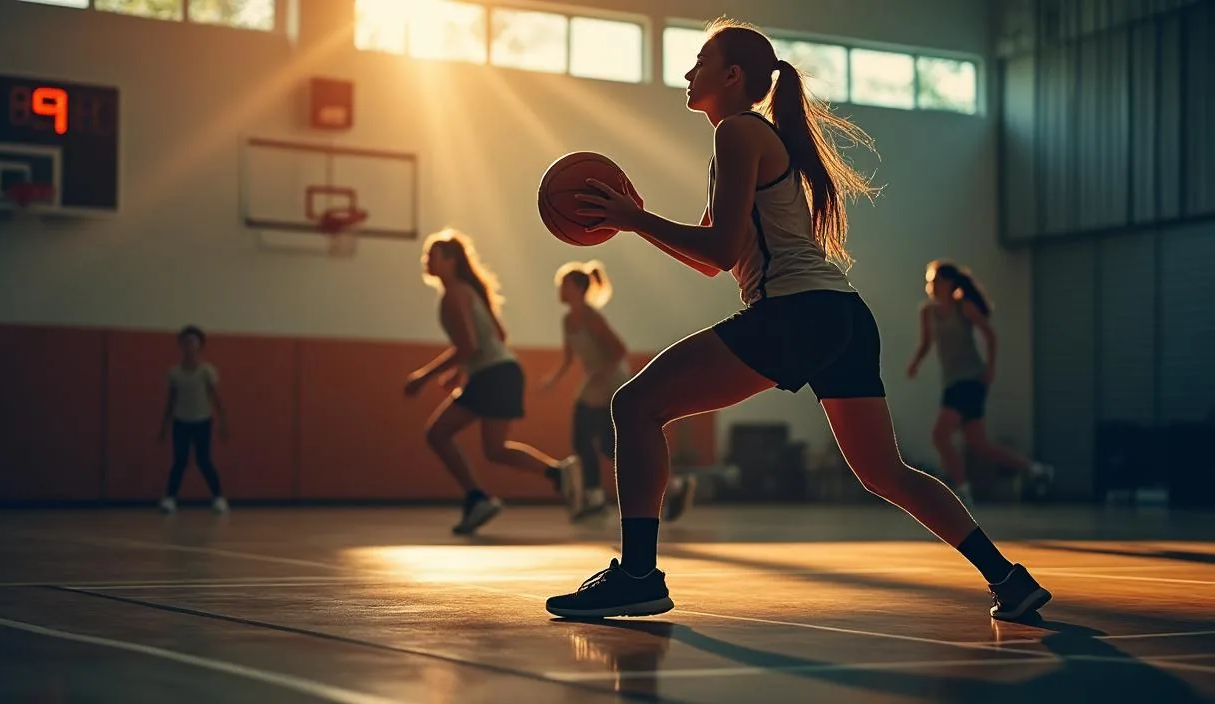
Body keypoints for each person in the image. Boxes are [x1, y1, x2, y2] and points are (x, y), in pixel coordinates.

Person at [544, 18, 1051, 622]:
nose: (688, 72)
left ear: (732, 76)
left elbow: (718, 251)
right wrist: (639, 219)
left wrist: (634, 220)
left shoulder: (737, 131)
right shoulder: (742, 138)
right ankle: (1008, 579)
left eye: (700, 62)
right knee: (885, 471)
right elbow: (711, 259)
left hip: (797, 311)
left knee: (634, 405)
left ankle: (637, 576)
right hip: (842, 315)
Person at [405, 229, 577, 535]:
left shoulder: (454, 295)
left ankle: (477, 498)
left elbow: (469, 346)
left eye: (432, 255)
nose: (426, 260)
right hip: (504, 371)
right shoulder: (470, 291)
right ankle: (558, 473)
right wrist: (461, 371)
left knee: (438, 433)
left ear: (450, 260)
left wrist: (423, 377)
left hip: (493, 374)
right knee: (495, 449)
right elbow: (497, 336)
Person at [541, 260, 698, 522]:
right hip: (594, 384)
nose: (560, 290)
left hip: (611, 381)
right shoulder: (568, 320)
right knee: (598, 443)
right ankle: (602, 498)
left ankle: (671, 487)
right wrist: (552, 380)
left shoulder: (591, 317)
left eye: (564, 285)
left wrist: (600, 373)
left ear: (578, 288)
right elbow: (569, 357)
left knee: (609, 443)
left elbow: (619, 350)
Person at [907, 260, 1054, 505]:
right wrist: (915, 364)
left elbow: (990, 336)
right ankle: (1036, 469)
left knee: (940, 435)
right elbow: (926, 343)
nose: (932, 285)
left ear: (950, 283)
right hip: (951, 381)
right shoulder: (927, 312)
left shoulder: (964, 307)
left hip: (970, 379)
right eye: (931, 280)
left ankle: (963, 490)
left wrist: (990, 369)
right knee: (979, 445)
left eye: (938, 280)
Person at [158, 325, 229, 514]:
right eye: (186, 341)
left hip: (202, 421)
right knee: (179, 461)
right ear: (181, 345)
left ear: (200, 346)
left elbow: (215, 398)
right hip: (180, 421)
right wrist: (164, 426)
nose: (189, 345)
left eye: (193, 342)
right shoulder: (174, 372)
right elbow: (171, 400)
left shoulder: (207, 371)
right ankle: (170, 498)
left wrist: (223, 422)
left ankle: (219, 497)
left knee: (203, 460)